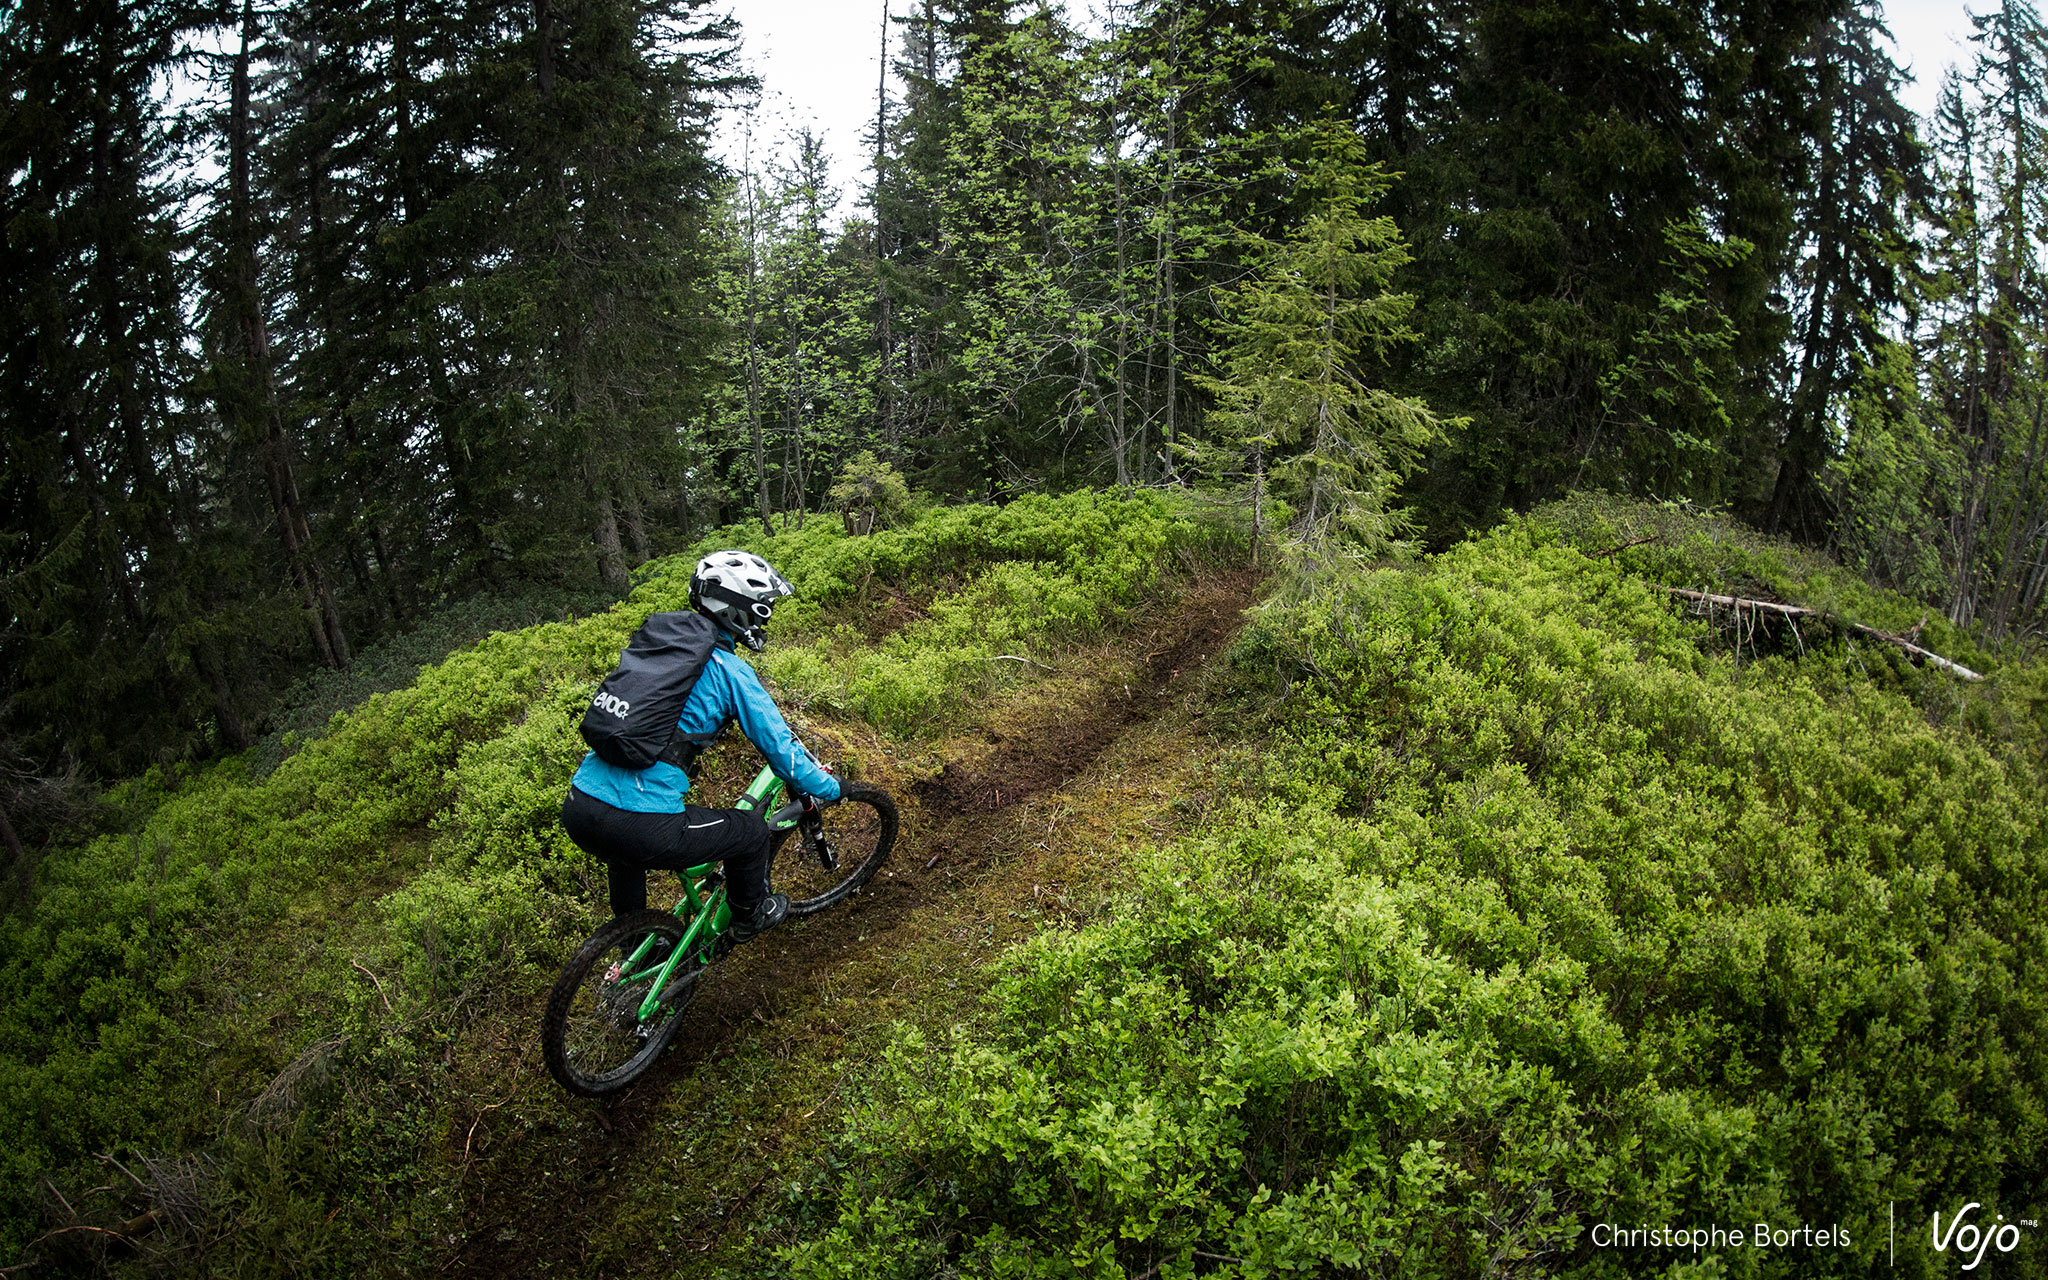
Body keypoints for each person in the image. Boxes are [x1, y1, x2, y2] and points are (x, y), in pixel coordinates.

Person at [559, 549, 841, 942]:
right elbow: (781, 750)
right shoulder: (731, 671)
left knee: (623, 853)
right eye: (763, 608)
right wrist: (831, 787)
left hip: (580, 805)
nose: (766, 617)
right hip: (643, 823)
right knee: (751, 833)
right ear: (737, 610)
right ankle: (750, 915)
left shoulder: (659, 642)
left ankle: (635, 945)